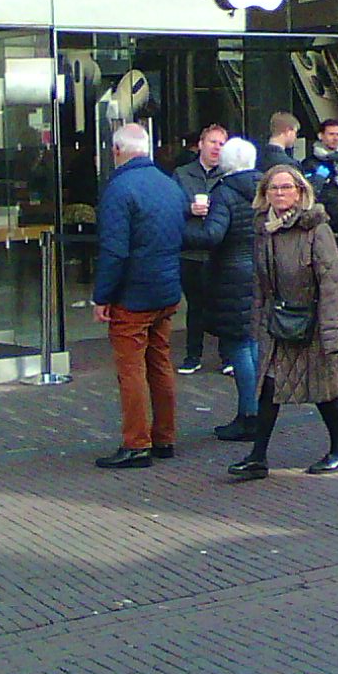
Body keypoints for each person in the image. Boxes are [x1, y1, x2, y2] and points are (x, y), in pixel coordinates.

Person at [228, 164, 338, 480]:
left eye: (286, 187)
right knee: (269, 385)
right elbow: (261, 283)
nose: (280, 193)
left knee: (323, 387)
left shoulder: (315, 229)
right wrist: (259, 322)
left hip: (311, 322)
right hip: (279, 322)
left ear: (299, 192)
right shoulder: (264, 229)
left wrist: (332, 331)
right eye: (274, 188)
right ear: (265, 194)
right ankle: (258, 457)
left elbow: (332, 281)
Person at [92, 123, 188, 469]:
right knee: (160, 362)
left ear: (117, 150)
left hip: (133, 294)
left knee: (130, 370)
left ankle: (136, 443)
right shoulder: (170, 184)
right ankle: (165, 436)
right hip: (166, 288)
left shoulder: (119, 189)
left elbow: (114, 250)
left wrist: (102, 296)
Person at [181, 136, 261, 441]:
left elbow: (212, 235)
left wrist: (181, 231)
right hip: (259, 271)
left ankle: (249, 415)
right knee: (252, 342)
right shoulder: (266, 187)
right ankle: (256, 411)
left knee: (238, 345)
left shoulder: (225, 193)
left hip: (231, 275)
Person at [173, 124, 227, 376]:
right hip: (191, 250)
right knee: (195, 306)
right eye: (213, 142)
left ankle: (228, 356)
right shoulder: (182, 174)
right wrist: (189, 209)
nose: (217, 148)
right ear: (201, 145)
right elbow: (171, 205)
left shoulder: (228, 175)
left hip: (219, 250)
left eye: (222, 143)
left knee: (223, 304)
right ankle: (192, 355)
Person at [307, 118, 338, 252]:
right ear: (321, 136)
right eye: (331, 134)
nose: (335, 138)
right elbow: (309, 192)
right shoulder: (310, 163)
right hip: (321, 224)